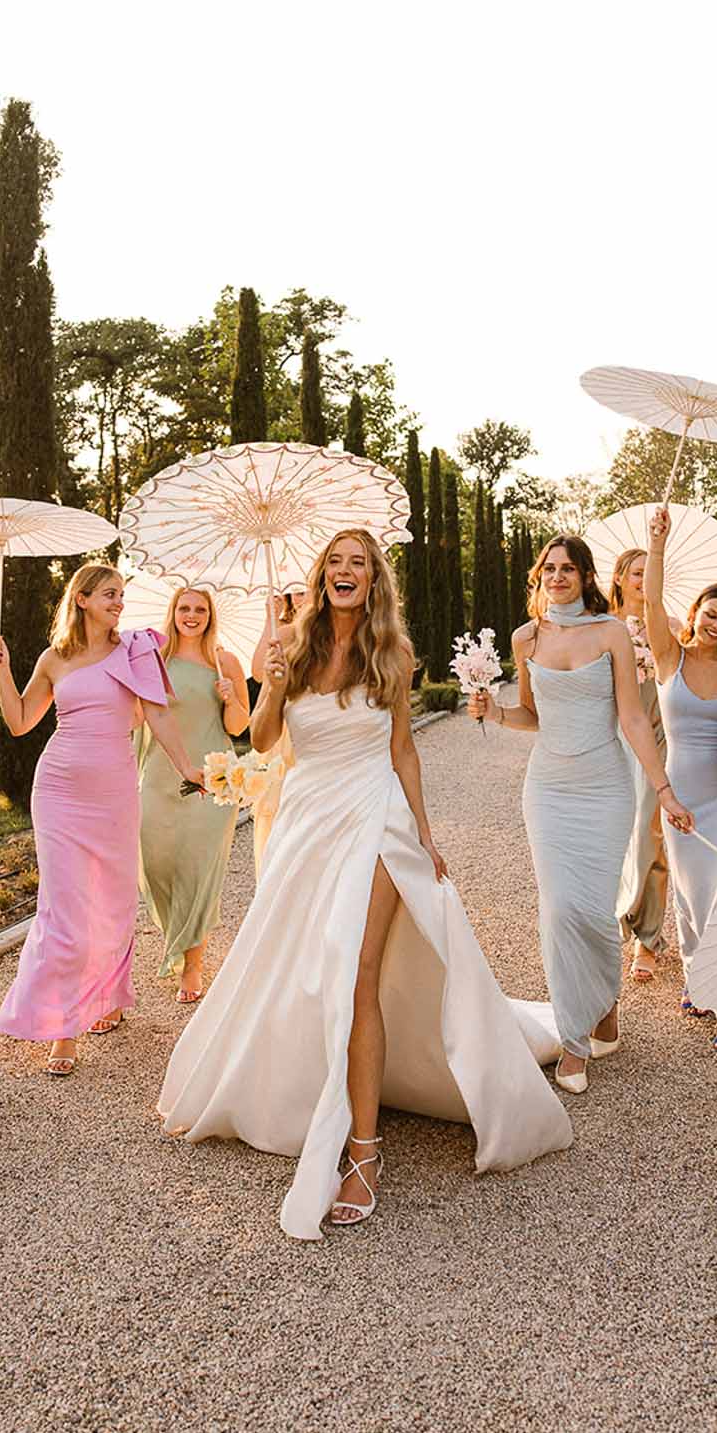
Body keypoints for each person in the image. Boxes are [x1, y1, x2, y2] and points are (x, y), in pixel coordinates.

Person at [158, 529, 571, 1239]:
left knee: (358, 969)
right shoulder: (292, 645)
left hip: (377, 814)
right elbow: (258, 741)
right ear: (321, 578)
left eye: (359, 564)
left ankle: (363, 1150)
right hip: (308, 820)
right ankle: (316, 1092)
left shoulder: (394, 654)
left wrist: (425, 831)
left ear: (374, 581)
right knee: (308, 966)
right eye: (336, 564)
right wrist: (276, 683)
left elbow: (404, 747)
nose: (346, 573)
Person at [469, 535, 693, 1095]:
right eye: (550, 567)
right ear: (538, 575)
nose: (559, 576)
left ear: (586, 575)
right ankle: (574, 1040)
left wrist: (662, 789)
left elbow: (633, 719)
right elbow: (531, 714)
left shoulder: (612, 632)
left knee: (592, 910)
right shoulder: (526, 637)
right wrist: (493, 712)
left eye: (569, 568)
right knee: (558, 910)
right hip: (547, 789)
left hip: (606, 787)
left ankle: (604, 1001)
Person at [0, 562, 203, 1076]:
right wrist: (1, 671)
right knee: (63, 909)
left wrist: (187, 766)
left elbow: (158, 715)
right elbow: (19, 723)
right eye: (109, 594)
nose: (119, 603)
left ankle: (108, 994)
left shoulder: (136, 650)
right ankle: (63, 1027)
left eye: (122, 595)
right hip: (58, 788)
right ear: (81, 599)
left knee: (111, 900)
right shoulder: (54, 658)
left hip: (113, 791)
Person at [644, 507, 717, 1055]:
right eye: (711, 615)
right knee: (690, 898)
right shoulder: (669, 656)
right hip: (682, 792)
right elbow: (649, 603)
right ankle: (698, 977)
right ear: (695, 613)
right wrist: (658, 545)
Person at [139, 585, 249, 1003]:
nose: (191, 615)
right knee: (158, 864)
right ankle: (176, 937)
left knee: (198, 868)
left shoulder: (226, 662)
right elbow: (137, 715)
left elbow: (239, 727)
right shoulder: (155, 661)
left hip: (213, 781)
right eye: (184, 607)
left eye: (200, 609)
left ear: (210, 615)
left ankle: (194, 962)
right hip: (159, 778)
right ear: (173, 612)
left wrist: (230, 697)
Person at [607, 546, 672, 982]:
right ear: (619, 579)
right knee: (611, 838)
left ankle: (647, 938)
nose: (642, 580)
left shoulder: (671, 629)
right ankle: (612, 922)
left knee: (651, 836)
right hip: (610, 739)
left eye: (650, 573)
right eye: (635, 572)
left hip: (658, 738)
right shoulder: (602, 628)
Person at [249, 588, 305, 876]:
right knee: (277, 810)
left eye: (305, 589)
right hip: (282, 733)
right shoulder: (282, 632)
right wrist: (269, 617)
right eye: (294, 592)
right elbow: (259, 672)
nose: (301, 596)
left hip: (314, 733)